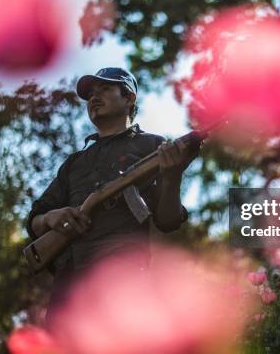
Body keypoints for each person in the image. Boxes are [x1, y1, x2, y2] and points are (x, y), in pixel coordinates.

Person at [26, 67, 196, 328]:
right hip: (70, 283)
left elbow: (167, 220)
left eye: (105, 89)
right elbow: (34, 220)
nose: (94, 97)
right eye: (91, 93)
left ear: (129, 99)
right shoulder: (75, 162)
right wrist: (52, 217)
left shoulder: (153, 146)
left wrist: (172, 176)